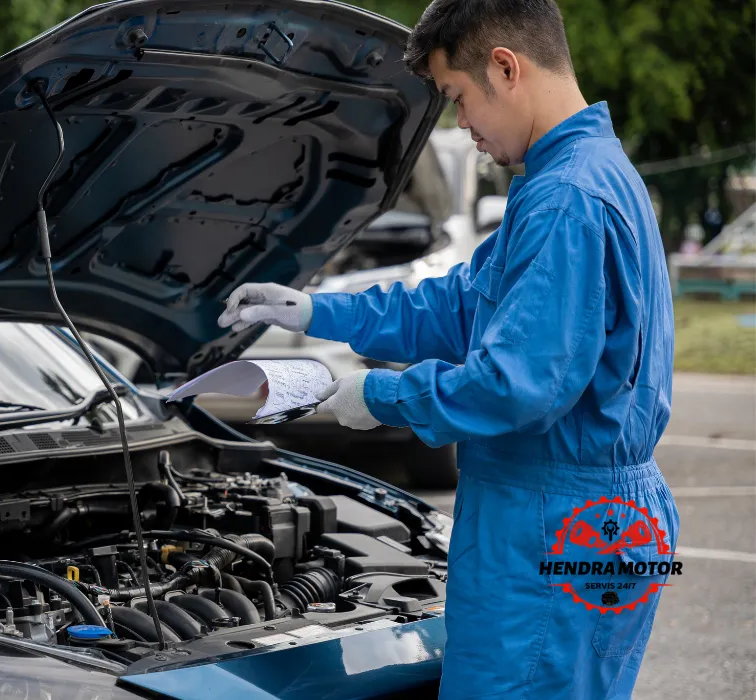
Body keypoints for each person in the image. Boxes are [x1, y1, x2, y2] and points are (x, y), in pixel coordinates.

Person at [217, 1, 679, 698]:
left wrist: (373, 397)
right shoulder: (581, 174)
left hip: (553, 526)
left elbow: (514, 385)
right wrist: (317, 310)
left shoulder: (566, 199)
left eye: (459, 99)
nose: (462, 125)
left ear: (505, 67)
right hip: (589, 518)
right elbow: (459, 304)